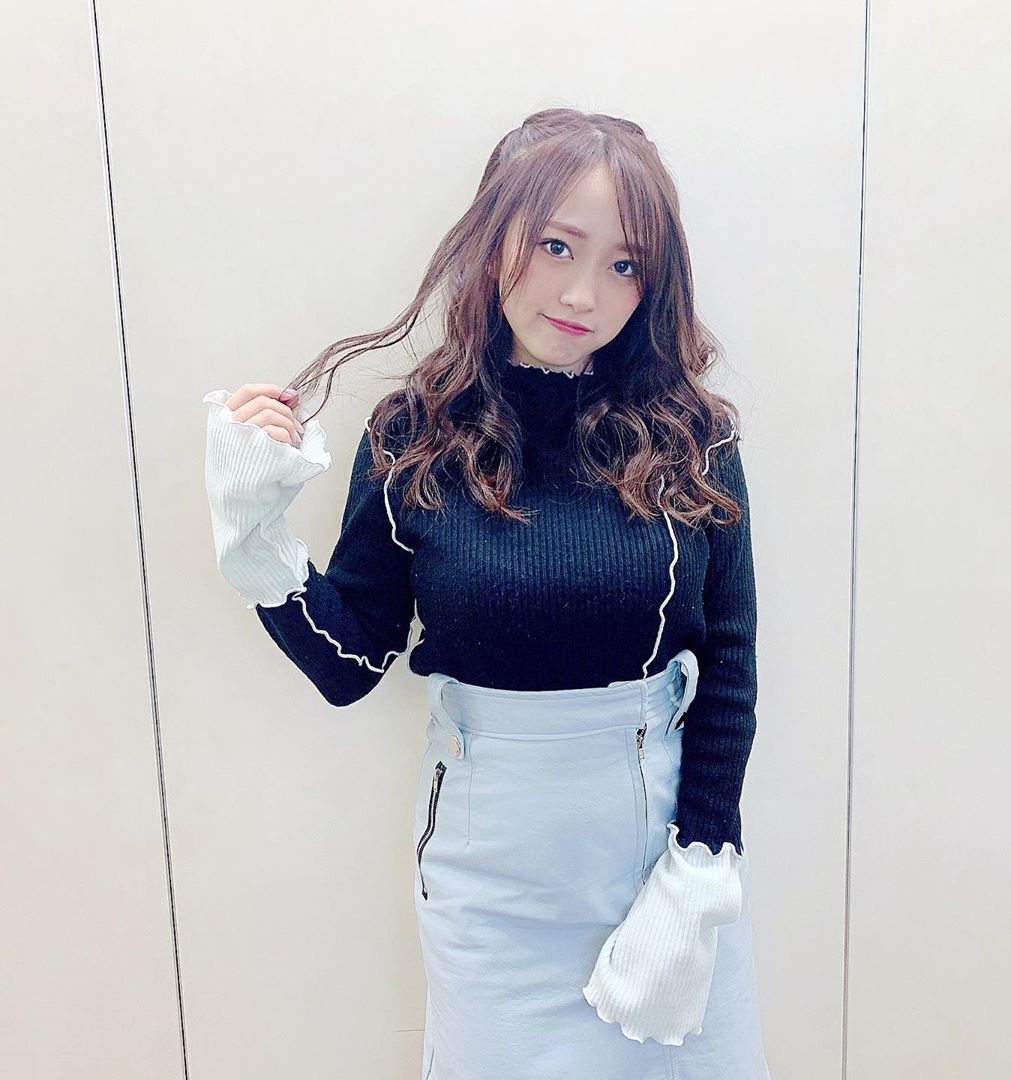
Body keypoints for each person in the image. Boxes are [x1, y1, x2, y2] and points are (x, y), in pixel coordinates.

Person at [202, 109, 771, 1079]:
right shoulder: (413, 433)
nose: (585, 293)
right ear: (496, 234)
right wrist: (256, 538)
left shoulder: (692, 435)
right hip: (490, 874)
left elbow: (729, 663)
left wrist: (702, 869)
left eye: (625, 264)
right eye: (557, 245)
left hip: (661, 861)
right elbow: (351, 664)